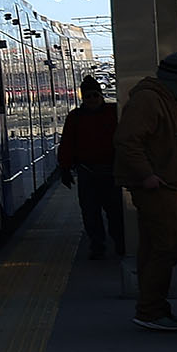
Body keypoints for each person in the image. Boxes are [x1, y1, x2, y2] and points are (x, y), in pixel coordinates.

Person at [114, 53, 177, 331]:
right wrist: (146, 174)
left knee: (154, 246)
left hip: (164, 184)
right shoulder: (149, 100)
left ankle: (153, 307)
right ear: (173, 80)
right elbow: (127, 141)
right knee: (168, 247)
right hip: (157, 186)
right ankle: (150, 310)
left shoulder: (163, 99)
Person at [56, 75, 123, 260]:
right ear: (82, 98)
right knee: (90, 212)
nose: (92, 100)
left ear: (101, 95)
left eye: (95, 95)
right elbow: (67, 144)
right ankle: (97, 245)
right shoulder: (75, 118)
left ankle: (120, 241)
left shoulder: (114, 112)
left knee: (115, 211)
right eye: (88, 97)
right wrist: (65, 168)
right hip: (87, 172)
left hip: (112, 171)